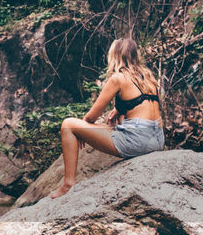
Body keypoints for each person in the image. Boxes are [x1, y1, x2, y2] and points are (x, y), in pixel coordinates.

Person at [49, 37, 165, 199]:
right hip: (157, 140)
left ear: (114, 55)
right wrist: (118, 110)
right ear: (135, 55)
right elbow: (141, 100)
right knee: (112, 126)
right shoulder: (148, 76)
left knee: (68, 124)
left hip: (138, 141)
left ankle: (68, 184)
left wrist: (81, 130)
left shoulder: (118, 78)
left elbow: (91, 116)